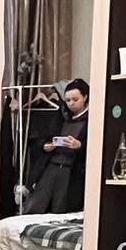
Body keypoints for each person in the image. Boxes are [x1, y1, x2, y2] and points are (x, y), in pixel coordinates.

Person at [23, 79, 89, 215]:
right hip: (51, 164)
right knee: (35, 204)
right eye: (68, 100)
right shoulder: (61, 114)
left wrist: (80, 146)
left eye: (75, 100)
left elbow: (96, 149)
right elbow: (44, 136)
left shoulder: (92, 119)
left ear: (85, 97)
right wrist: (46, 145)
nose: (71, 104)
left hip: (72, 169)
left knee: (61, 208)